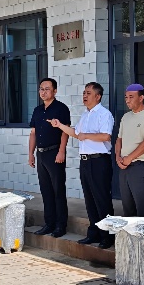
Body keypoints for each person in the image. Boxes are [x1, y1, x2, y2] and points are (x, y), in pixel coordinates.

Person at [49, 82, 115, 248]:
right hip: (85, 161)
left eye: (88, 93)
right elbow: (76, 133)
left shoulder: (104, 114)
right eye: (84, 93)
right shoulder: (85, 114)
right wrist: (59, 125)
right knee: (89, 199)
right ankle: (94, 233)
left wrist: (86, 135)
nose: (84, 96)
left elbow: (106, 136)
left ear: (98, 96)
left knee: (102, 199)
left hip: (99, 161)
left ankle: (107, 237)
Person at [28, 78, 71, 238]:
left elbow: (65, 132)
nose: (43, 92)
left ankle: (61, 225)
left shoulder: (61, 108)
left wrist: (62, 151)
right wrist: (31, 153)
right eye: (41, 89)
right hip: (41, 154)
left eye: (47, 89)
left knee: (58, 190)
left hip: (55, 153)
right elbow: (33, 133)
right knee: (45, 190)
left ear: (55, 91)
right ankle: (49, 223)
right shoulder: (37, 110)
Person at [115, 84, 144, 218]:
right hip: (124, 167)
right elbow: (119, 139)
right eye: (126, 97)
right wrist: (118, 157)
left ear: (141, 98)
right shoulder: (125, 117)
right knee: (128, 209)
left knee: (143, 210)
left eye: (131, 97)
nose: (127, 100)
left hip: (140, 167)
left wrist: (129, 158)